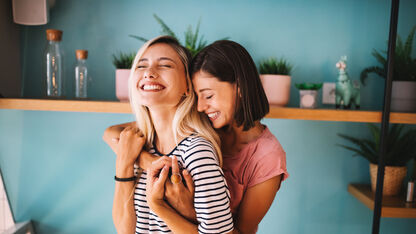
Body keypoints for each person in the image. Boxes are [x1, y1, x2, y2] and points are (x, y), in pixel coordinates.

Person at [104, 39, 289, 233]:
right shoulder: (202, 121)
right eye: (197, 95)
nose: (200, 106)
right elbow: (112, 133)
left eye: (208, 96)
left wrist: (173, 207)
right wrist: (145, 162)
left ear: (240, 88)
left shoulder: (265, 157)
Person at [109, 35, 233, 233]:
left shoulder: (197, 152)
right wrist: (125, 163)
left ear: (187, 85)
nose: (149, 73)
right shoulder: (140, 144)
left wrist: (159, 204)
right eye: (141, 66)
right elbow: (125, 230)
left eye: (165, 65)